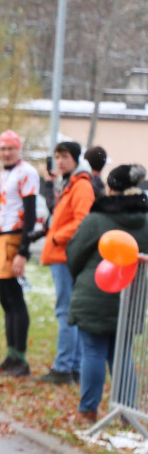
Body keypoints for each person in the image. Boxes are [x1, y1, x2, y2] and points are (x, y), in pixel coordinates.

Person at [66, 164, 148, 424]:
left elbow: (74, 255)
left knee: (93, 352)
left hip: (95, 293)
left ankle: (88, 411)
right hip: (132, 296)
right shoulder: (145, 221)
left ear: (110, 188)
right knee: (123, 354)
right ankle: (127, 413)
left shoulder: (97, 219)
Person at [36, 142, 96, 384]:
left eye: (65, 157)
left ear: (76, 158)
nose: (60, 161)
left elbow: (83, 220)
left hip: (65, 255)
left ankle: (64, 367)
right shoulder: (70, 184)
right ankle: (72, 367)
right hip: (61, 254)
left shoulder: (80, 186)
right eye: (57, 157)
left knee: (66, 312)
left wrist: (57, 237)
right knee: (69, 312)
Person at [0, 130, 40, 378]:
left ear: (18, 150)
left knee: (15, 300)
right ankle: (10, 355)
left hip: (14, 237)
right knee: (5, 300)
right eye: (2, 149)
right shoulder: (4, 174)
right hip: (0, 236)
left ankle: (21, 359)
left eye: (10, 148)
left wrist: (23, 251)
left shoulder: (27, 172)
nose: (6, 153)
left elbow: (30, 214)